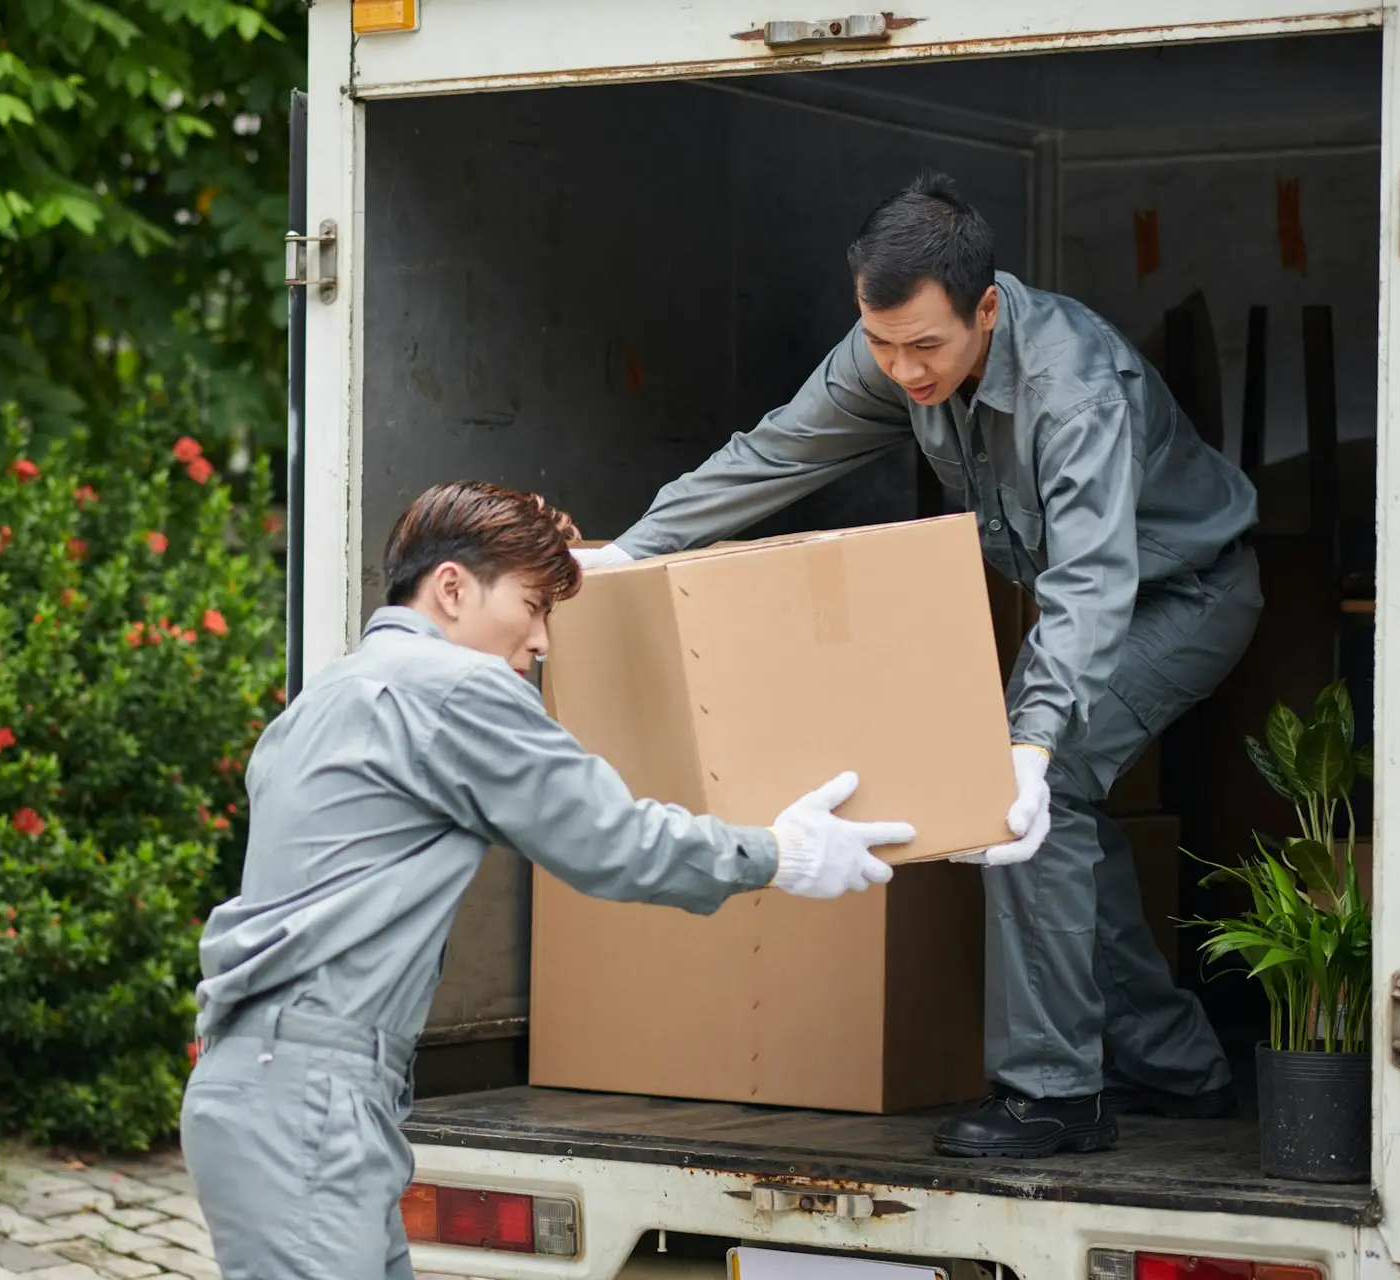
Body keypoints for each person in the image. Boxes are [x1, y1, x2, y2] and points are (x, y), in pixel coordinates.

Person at [575, 173, 1262, 1159]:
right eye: (880, 342)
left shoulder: (1076, 387)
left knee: (1037, 790)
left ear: (987, 307)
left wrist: (1029, 738)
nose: (901, 369)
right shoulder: (892, 348)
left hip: (1183, 596)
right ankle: (1178, 1065)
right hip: (1086, 597)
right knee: (1054, 816)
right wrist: (634, 550)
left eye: (925, 346)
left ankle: (1057, 1094)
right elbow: (774, 454)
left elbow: (1094, 584)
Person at [183, 480, 919, 1279]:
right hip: (313, 1096)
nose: (542, 642)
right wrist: (781, 853)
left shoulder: (329, 692)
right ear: (453, 587)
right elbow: (613, 840)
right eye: (533, 606)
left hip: (266, 1086)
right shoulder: (457, 688)